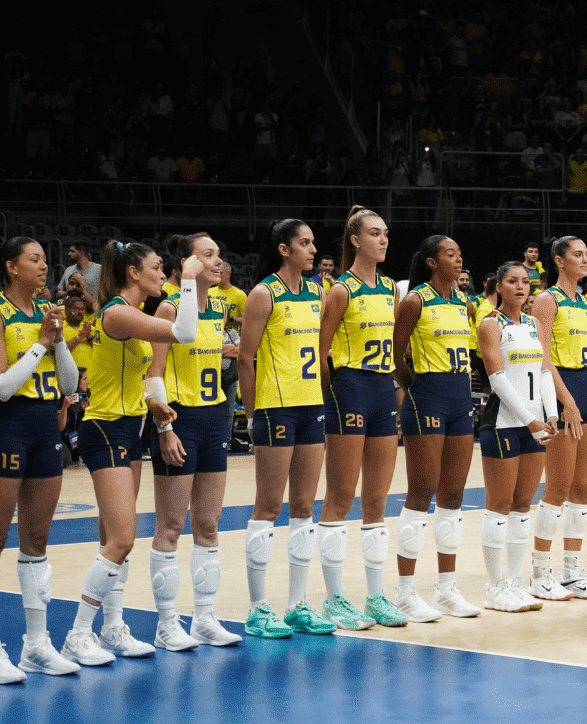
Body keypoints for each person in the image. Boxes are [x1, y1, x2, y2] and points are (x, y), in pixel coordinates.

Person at [66, 239, 203, 664]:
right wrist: (189, 279)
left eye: (165, 268)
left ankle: (113, 627)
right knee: (123, 539)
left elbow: (119, 376)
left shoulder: (131, 314)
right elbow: (185, 332)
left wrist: (150, 403)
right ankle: (78, 634)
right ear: (133, 272)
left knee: (113, 538)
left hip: (130, 427)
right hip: (105, 429)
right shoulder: (117, 313)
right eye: (157, 267)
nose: (163, 274)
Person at [0, 238, 81, 683]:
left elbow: (68, 385)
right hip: (6, 426)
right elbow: (0, 387)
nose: (44, 266)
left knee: (37, 540)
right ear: (12, 267)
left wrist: (59, 342)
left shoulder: (47, 311)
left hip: (45, 426)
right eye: (34, 259)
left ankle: (36, 645)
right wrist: (40, 344)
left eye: (45, 259)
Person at [143, 232, 243, 650]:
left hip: (215, 417)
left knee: (208, 524)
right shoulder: (168, 306)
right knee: (170, 525)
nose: (218, 261)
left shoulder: (219, 305)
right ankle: (167, 623)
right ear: (187, 264)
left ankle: (204, 618)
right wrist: (164, 428)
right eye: (208, 255)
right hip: (179, 418)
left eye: (219, 254)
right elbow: (153, 373)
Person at [237, 220, 336, 638]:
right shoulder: (264, 294)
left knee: (304, 507)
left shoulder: (318, 292)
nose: (312, 250)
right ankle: (258, 609)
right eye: (304, 243)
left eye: (313, 243)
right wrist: (251, 416)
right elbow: (245, 359)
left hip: (311, 407)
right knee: (268, 506)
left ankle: (297, 606)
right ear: (283, 248)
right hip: (275, 410)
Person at [315, 207, 407, 630]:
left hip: (382, 390)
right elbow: (322, 352)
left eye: (385, 233)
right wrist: (328, 397)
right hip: (349, 387)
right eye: (374, 233)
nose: (382, 240)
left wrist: (399, 391)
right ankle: (334, 599)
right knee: (340, 497)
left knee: (376, 500)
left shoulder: (390, 289)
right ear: (355, 240)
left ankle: (375, 596)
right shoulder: (341, 290)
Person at [391, 235, 482, 620]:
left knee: (453, 495)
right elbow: (395, 354)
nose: (458, 259)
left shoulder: (463, 302)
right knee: (421, 492)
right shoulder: (416, 300)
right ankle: (405, 592)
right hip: (427, 397)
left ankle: (447, 589)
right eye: (450, 254)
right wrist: (417, 389)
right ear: (431, 262)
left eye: (460, 253)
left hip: (460, 400)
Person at [528, 236, 587, 601]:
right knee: (558, 487)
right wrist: (566, 401)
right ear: (559, 260)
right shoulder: (547, 300)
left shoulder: (586, 304)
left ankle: (572, 573)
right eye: (578, 254)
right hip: (563, 394)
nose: (585, 259)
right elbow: (543, 357)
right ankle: (539, 574)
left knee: (582, 489)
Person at [477, 261, 559, 612]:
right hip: (504, 424)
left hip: (535, 425)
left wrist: (551, 413)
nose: (521, 287)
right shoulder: (490, 324)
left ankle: (513, 582)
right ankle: (494, 587)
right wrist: (530, 421)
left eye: (526, 281)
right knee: (499, 505)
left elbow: (543, 371)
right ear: (499, 286)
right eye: (512, 281)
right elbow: (497, 379)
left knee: (523, 504)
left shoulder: (533, 324)